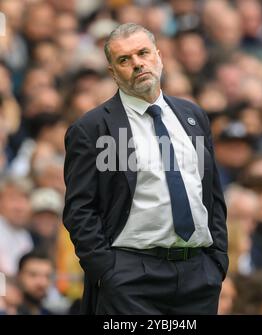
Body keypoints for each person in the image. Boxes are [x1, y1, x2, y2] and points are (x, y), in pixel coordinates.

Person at [63, 23, 228, 315]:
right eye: (124, 60)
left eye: (143, 53)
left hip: (199, 275)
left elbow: (212, 195)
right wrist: (107, 272)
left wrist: (217, 261)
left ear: (159, 56)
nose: (137, 63)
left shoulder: (193, 116)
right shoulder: (92, 128)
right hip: (131, 277)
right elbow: (80, 210)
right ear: (113, 73)